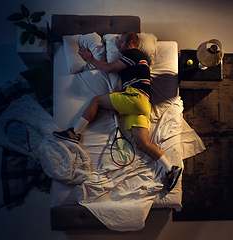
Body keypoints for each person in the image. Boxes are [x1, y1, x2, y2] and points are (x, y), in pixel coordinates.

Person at [53, 31, 182, 192]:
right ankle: (171, 169)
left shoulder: (134, 54)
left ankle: (75, 133)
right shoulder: (128, 67)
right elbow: (118, 88)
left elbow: (107, 68)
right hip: (142, 104)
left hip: (135, 98)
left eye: (120, 42)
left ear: (129, 43)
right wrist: (114, 105)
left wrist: (89, 59)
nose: (117, 44)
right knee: (142, 144)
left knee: (96, 100)